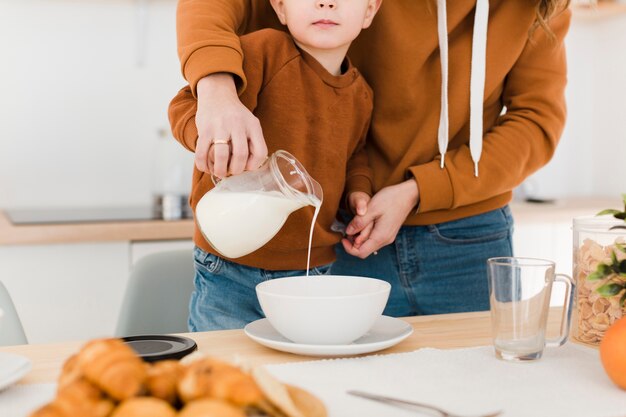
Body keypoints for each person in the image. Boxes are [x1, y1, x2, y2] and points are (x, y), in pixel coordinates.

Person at [175, 0, 571, 317]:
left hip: (467, 239)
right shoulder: (272, 50)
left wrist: (420, 189)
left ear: (371, 10)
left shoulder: (542, 6)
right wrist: (216, 97)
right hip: (342, 237)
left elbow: (537, 121)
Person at [169, 0, 381, 331]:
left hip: (313, 273)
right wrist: (207, 139)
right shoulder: (262, 52)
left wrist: (359, 189)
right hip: (229, 270)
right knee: (226, 374)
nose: (326, 2)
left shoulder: (362, 94)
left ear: (370, 10)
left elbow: (356, 155)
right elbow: (185, 105)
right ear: (280, 7)